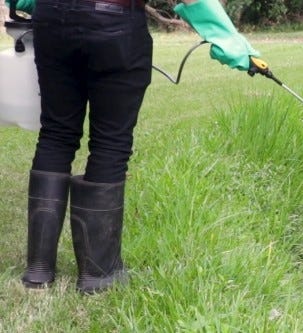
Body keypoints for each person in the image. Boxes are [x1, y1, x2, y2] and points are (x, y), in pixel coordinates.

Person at [9, 0, 259, 294]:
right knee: (110, 142)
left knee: (56, 133)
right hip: (116, 22)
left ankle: (39, 269)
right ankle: (99, 274)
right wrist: (228, 38)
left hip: (52, 19)